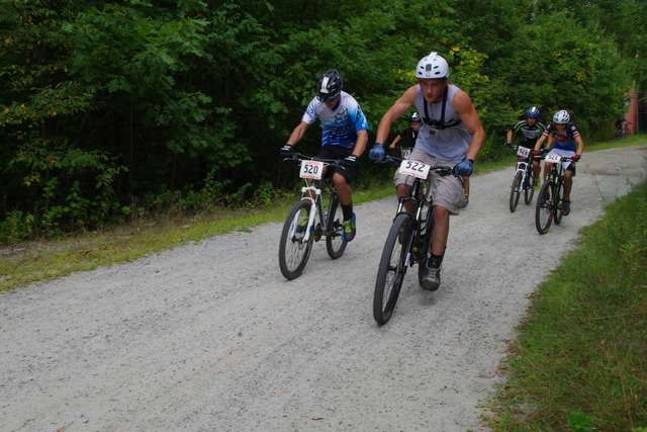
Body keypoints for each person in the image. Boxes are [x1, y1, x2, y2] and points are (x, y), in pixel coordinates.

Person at [368, 52, 485, 291]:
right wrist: (379, 143)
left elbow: (479, 132)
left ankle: (434, 264)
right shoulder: (414, 93)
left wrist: (469, 160)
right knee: (402, 184)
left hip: (452, 157)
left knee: (441, 210)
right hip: (424, 149)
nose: (429, 91)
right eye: (424, 84)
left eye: (434, 84)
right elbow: (390, 115)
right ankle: (408, 223)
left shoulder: (458, 99)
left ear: (445, 81)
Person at [280, 69, 368, 241]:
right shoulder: (317, 102)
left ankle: (349, 218)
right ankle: (307, 214)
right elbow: (302, 127)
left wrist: (354, 156)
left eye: (331, 98)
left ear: (338, 93)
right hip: (328, 147)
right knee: (310, 172)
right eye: (324, 98)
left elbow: (363, 134)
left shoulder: (350, 104)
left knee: (338, 179)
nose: (326, 102)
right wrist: (288, 145)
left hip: (350, 149)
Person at [533, 109, 584, 216]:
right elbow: (542, 139)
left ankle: (566, 200)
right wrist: (536, 150)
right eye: (557, 124)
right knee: (547, 163)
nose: (558, 126)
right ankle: (545, 189)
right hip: (556, 150)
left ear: (566, 123)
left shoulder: (571, 127)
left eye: (561, 124)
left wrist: (578, 154)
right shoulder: (551, 125)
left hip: (570, 152)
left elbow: (579, 142)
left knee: (567, 175)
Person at [506, 106, 546, 182]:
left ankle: (536, 178)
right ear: (526, 118)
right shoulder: (521, 124)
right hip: (524, 145)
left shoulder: (540, 126)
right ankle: (518, 177)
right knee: (520, 162)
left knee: (535, 164)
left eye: (533, 118)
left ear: (536, 119)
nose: (531, 120)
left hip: (536, 147)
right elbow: (511, 130)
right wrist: (509, 142)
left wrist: (545, 148)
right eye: (529, 118)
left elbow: (547, 136)